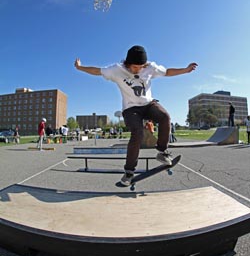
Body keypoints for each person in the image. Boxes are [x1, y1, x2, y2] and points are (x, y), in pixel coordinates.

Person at [74, 45, 198, 186]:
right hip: (131, 108)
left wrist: (186, 70)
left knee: (165, 117)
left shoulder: (150, 67)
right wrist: (80, 67)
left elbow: (167, 72)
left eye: (140, 67)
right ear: (127, 63)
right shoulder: (116, 70)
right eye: (134, 67)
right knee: (137, 133)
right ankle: (129, 172)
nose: (137, 70)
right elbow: (97, 71)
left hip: (148, 105)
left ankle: (162, 152)